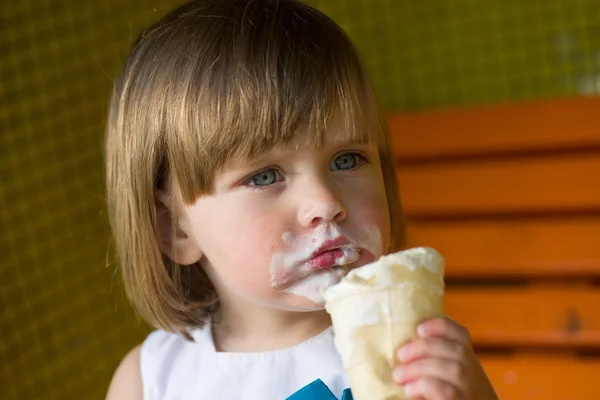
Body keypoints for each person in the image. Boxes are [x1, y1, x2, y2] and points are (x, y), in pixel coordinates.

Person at [104, 1, 498, 399]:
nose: (325, 203)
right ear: (175, 229)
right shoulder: (151, 380)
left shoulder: (409, 352)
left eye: (347, 159)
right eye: (265, 176)